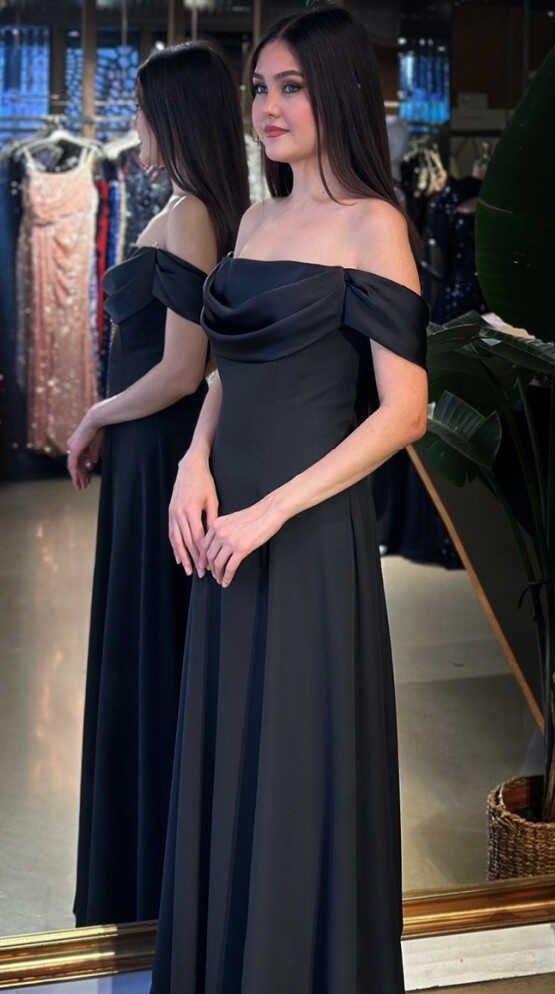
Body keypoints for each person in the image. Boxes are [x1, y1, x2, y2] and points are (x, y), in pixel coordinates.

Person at [132, 7, 463, 994]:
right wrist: (195, 462)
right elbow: (229, 366)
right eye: (259, 89)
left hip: (305, 547)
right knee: (234, 769)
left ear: (337, 97)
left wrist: (271, 511)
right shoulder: (258, 217)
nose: (269, 109)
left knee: (297, 778)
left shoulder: (376, 224)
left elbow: (404, 412)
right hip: (226, 529)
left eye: (291, 88)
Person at [67, 42, 249, 926]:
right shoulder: (187, 207)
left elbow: (183, 370)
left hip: (158, 452)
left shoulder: (192, 215)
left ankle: (152, 881)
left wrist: (95, 415)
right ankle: (148, 878)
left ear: (171, 116)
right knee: (146, 642)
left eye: (140, 110)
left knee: (152, 646)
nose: (132, 124)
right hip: (146, 454)